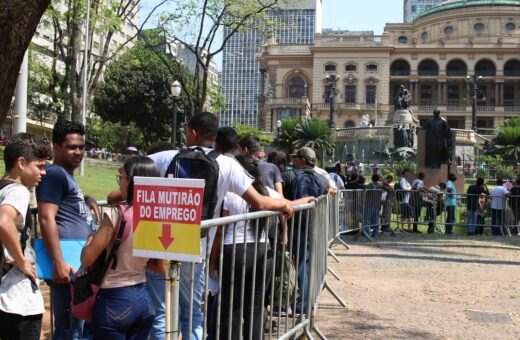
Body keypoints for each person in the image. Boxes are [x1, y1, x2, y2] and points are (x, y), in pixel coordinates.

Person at [148, 112, 292, 340]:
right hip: (196, 247)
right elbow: (260, 202)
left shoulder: (167, 157)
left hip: (158, 244)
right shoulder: (228, 164)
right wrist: (284, 203)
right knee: (192, 313)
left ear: (193, 132)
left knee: (161, 313)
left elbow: (132, 171)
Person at [210, 155, 315, 340]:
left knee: (232, 308)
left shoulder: (230, 193)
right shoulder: (268, 193)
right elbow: (288, 204)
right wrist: (307, 199)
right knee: (256, 307)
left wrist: (212, 261)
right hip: (261, 252)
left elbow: (220, 231)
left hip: (234, 252)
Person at [80, 157, 164, 339]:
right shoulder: (155, 216)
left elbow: (87, 259)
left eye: (121, 177)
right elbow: (160, 267)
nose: (120, 182)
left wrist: (89, 240)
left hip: (115, 299)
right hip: (144, 300)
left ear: (133, 180)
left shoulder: (117, 214)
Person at [36, 120, 99, 340]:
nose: (78, 152)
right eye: (72, 147)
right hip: (67, 266)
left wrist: (88, 199)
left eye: (81, 147)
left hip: (77, 265)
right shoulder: (54, 174)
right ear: (56, 147)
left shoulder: (66, 176)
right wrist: (58, 262)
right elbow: (46, 218)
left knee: (77, 327)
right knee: (68, 329)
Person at [0, 133, 52, 340]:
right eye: (39, 166)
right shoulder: (18, 192)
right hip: (17, 301)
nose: (44, 172)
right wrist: (21, 261)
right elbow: (3, 221)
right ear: (21, 163)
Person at [282, 147, 328, 315]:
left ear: (301, 160)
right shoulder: (322, 180)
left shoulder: (289, 176)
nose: (293, 161)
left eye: (295, 158)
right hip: (311, 226)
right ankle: (304, 303)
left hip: (290, 224)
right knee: (305, 264)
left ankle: (283, 303)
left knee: (286, 264)